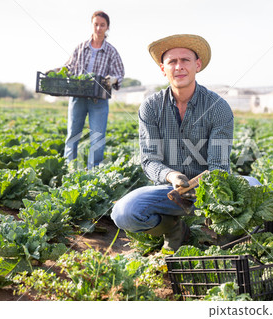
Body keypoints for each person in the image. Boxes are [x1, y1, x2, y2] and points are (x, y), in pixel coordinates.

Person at [110, 34, 261, 251]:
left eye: (185, 60)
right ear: (163, 68)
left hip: (209, 191)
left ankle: (226, 236)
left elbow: (219, 166)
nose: (179, 66)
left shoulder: (218, 107)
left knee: (254, 187)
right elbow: (150, 160)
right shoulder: (151, 107)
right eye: (172, 61)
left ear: (197, 65)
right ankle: (174, 228)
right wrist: (172, 176)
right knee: (124, 212)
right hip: (169, 193)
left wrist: (200, 187)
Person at [62, 11, 124, 168]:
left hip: (99, 99)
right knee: (72, 135)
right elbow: (68, 67)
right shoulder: (80, 48)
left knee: (97, 137)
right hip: (78, 96)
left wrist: (113, 79)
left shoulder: (111, 51)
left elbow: (119, 73)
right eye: (96, 24)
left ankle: (93, 171)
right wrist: (57, 72)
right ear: (92, 25)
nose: (98, 28)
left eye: (102, 25)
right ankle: (68, 169)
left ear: (107, 27)